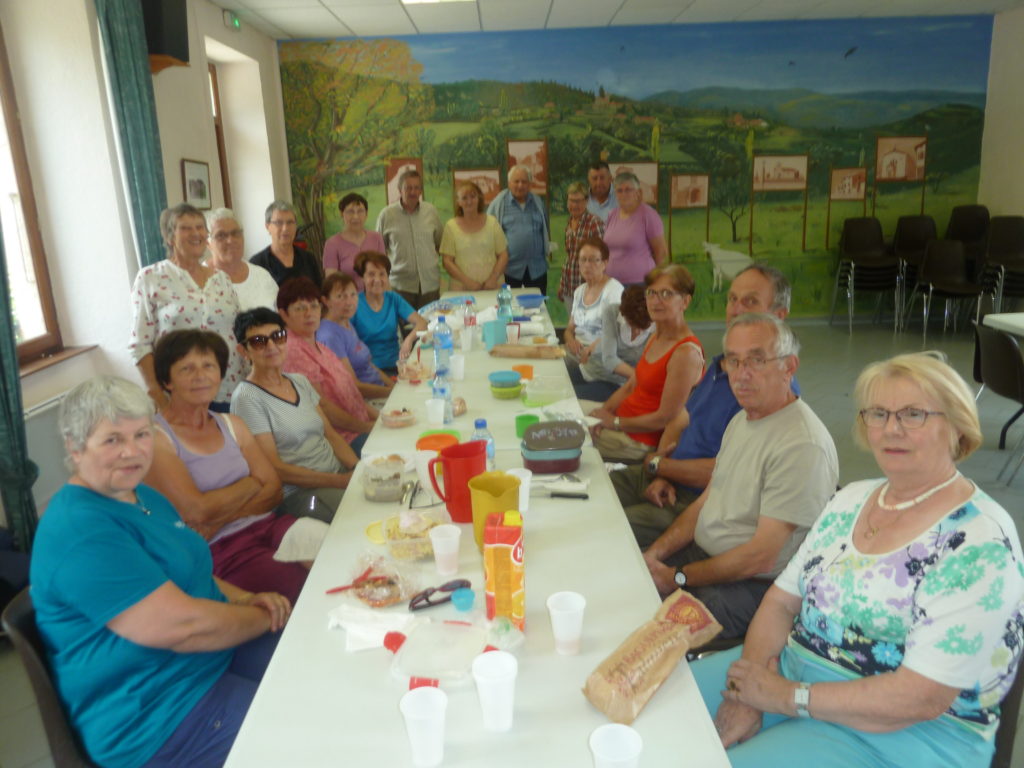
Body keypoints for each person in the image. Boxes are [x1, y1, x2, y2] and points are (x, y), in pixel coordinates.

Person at [693, 352, 1024, 768]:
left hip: (904, 734)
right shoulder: (852, 499)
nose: (891, 429)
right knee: (659, 708)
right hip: (789, 671)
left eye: (914, 414)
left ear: (957, 425)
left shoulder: (979, 543)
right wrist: (749, 694)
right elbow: (779, 602)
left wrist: (784, 697)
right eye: (879, 413)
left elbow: (920, 697)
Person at [30, 375, 290, 768]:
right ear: (74, 447)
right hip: (161, 717)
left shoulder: (140, 495)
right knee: (305, 732)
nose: (131, 452)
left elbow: (190, 569)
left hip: (209, 663)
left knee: (316, 666)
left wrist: (244, 598)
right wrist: (259, 616)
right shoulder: (80, 530)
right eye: (112, 439)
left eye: (141, 434)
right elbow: (184, 628)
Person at [642, 313, 838, 637]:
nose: (741, 375)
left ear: (789, 367)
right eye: (734, 361)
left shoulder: (802, 445)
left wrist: (676, 577)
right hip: (708, 560)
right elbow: (707, 501)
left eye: (757, 360)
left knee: (651, 638)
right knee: (627, 577)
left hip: (751, 587)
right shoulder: (745, 418)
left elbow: (760, 558)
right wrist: (655, 555)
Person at [613, 264, 794, 547]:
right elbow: (679, 418)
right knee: (595, 494)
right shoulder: (719, 365)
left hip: (696, 501)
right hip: (666, 476)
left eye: (750, 301)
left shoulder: (770, 391)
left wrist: (660, 466)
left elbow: (728, 473)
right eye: (732, 299)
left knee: (608, 527)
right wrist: (661, 468)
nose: (735, 310)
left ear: (779, 315)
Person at [146, 330, 327, 604]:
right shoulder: (157, 438)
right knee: (294, 585)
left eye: (209, 366)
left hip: (268, 525)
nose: (200, 376)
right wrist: (252, 484)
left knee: (333, 548)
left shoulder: (231, 424)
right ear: (167, 381)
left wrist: (219, 515)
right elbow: (197, 511)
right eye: (186, 368)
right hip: (222, 549)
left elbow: (274, 490)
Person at [230, 308, 357, 520]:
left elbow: (331, 435)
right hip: (300, 494)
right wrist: (340, 481)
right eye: (259, 342)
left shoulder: (299, 381)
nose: (271, 346)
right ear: (244, 351)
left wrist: (357, 469)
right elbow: (275, 468)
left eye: (277, 337)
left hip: (338, 473)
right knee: (359, 515)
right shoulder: (247, 398)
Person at [130, 203, 245, 412]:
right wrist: (156, 393)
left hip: (231, 388)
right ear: (169, 237)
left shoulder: (222, 279)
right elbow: (140, 344)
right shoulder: (151, 277)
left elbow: (238, 331)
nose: (196, 234)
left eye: (200, 227)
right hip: (180, 394)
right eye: (186, 228)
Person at [586, 264, 703, 462]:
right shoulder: (656, 337)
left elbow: (664, 418)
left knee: (563, 435)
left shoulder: (686, 353)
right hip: (620, 422)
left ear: (685, 301)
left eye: (666, 294)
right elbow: (631, 386)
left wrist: (613, 422)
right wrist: (604, 412)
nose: (656, 301)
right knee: (560, 415)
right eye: (651, 293)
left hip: (637, 441)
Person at [277, 277, 376, 456]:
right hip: (341, 440)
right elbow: (324, 408)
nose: (309, 313)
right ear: (284, 314)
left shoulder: (318, 345)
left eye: (314, 306)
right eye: (300, 308)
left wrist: (380, 419)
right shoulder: (293, 350)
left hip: (359, 427)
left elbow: (352, 392)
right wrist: (368, 427)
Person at [563, 237, 624, 400]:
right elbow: (570, 329)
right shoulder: (579, 291)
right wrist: (571, 340)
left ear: (605, 263)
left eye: (593, 260)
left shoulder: (614, 292)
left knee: (566, 397)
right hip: (585, 368)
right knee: (550, 379)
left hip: (609, 377)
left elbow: (620, 336)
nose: (587, 265)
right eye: (583, 260)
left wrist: (591, 348)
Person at [317, 271, 395, 400]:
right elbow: (354, 387)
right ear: (326, 301)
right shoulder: (330, 336)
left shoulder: (345, 322)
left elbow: (368, 365)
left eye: (353, 295)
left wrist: (393, 386)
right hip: (366, 400)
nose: (349, 302)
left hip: (380, 390)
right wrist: (392, 393)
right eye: (340, 296)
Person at [375, 169, 443, 309]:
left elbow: (439, 244)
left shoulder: (431, 212)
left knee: (431, 327)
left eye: (416, 187)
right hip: (401, 287)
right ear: (400, 190)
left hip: (430, 285)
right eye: (408, 188)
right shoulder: (386, 215)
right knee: (406, 330)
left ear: (420, 190)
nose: (413, 192)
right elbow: (379, 251)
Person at [351, 251, 427, 375]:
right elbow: (349, 346)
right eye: (371, 274)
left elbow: (422, 323)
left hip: (396, 365)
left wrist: (408, 340)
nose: (377, 280)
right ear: (362, 277)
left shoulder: (393, 299)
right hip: (368, 370)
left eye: (382, 274)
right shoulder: (354, 304)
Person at [575, 284, 654, 402]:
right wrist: (641, 379)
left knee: (570, 398)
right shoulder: (612, 311)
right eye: (632, 324)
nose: (637, 331)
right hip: (593, 369)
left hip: (618, 384)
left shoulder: (659, 324)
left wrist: (643, 382)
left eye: (643, 326)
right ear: (623, 313)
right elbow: (609, 359)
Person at [487, 164, 551, 295]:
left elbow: (545, 230)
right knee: (510, 308)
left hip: (537, 269)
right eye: (516, 181)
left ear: (530, 184)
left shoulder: (538, 203)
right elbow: (489, 234)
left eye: (524, 181)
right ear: (509, 183)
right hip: (509, 270)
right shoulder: (498, 204)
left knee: (538, 309)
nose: (520, 185)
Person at [440, 180, 508, 291]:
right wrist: (468, 282)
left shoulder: (492, 223)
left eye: (473, 196)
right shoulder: (451, 227)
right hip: (461, 288)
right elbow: (447, 261)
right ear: (458, 202)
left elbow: (503, 255)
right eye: (464, 198)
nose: (469, 201)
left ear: (479, 198)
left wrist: (493, 278)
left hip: (492, 286)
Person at [206, 207, 279, 311]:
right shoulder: (199, 281)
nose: (230, 240)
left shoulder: (262, 276)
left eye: (235, 233)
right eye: (221, 235)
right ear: (208, 243)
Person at [603, 171, 668, 285]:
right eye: (619, 190)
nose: (624, 194)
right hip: (611, 283)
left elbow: (661, 252)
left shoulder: (648, 215)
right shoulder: (612, 215)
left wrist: (651, 279)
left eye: (628, 189)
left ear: (638, 192)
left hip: (639, 283)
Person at [250, 200, 323, 288]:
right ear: (267, 227)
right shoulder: (257, 264)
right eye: (279, 223)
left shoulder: (309, 259)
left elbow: (318, 293)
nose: (285, 228)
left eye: (290, 222)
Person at [322, 192, 385, 292]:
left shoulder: (376, 238)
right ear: (342, 214)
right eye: (350, 212)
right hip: (348, 301)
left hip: (377, 298)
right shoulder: (332, 244)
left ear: (366, 214)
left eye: (360, 211)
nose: (356, 216)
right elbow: (331, 282)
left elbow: (383, 274)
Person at [558, 181, 605, 304]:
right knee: (573, 322)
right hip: (570, 286)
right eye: (571, 201)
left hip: (588, 287)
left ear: (586, 201)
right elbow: (570, 257)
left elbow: (603, 258)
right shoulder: (569, 223)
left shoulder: (594, 223)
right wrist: (562, 285)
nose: (574, 205)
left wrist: (597, 288)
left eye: (578, 201)